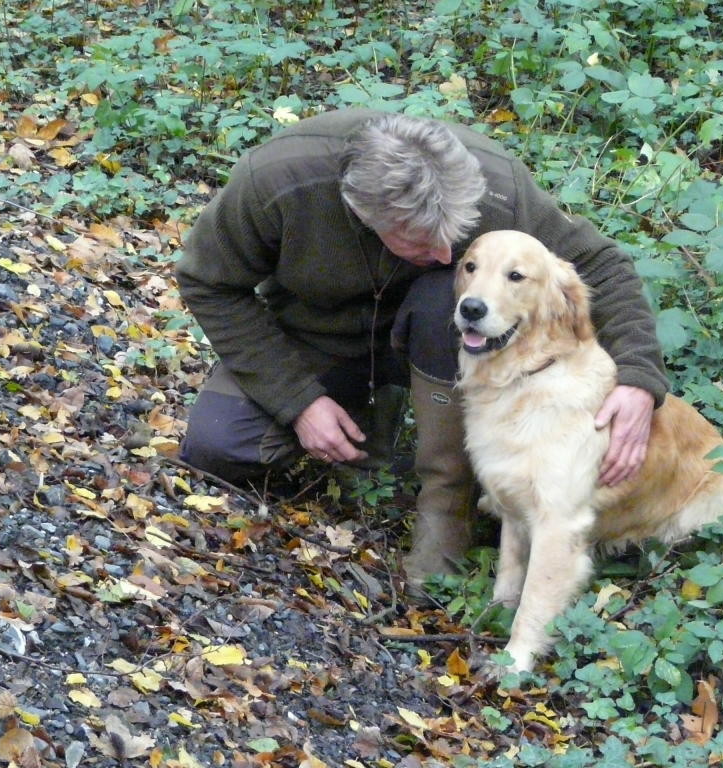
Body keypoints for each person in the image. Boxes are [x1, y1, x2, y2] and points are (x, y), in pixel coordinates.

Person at [175, 109, 668, 584]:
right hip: (314, 334)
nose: (443, 254)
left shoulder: (497, 186)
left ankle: (446, 507)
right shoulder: (277, 181)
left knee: (444, 297)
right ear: (362, 213)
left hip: (435, 338)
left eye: (453, 236)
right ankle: (362, 419)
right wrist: (298, 400)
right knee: (218, 445)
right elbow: (207, 282)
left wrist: (639, 378)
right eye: (419, 242)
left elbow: (602, 265)